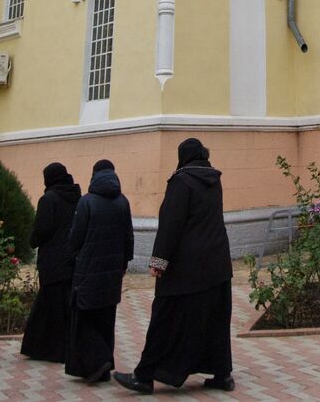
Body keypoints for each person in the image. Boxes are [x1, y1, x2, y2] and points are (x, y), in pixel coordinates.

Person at [115, 138, 234, 395]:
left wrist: (159, 261)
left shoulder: (182, 182)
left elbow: (171, 225)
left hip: (187, 269)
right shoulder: (214, 180)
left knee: (166, 319)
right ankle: (222, 374)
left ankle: (144, 377)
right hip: (218, 264)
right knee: (214, 320)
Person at [66, 159, 134, 384]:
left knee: (84, 317)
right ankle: (102, 368)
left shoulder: (87, 202)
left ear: (94, 175)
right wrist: (124, 264)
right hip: (113, 272)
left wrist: (72, 253)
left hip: (87, 270)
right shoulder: (123, 202)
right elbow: (128, 237)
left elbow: (76, 238)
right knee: (106, 319)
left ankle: (99, 361)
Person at [21, 161, 82, 363]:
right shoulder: (76, 198)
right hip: (72, 257)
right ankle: (67, 347)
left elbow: (41, 229)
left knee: (49, 305)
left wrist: (32, 241)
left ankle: (47, 348)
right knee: (64, 304)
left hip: (52, 259)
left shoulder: (49, 199)